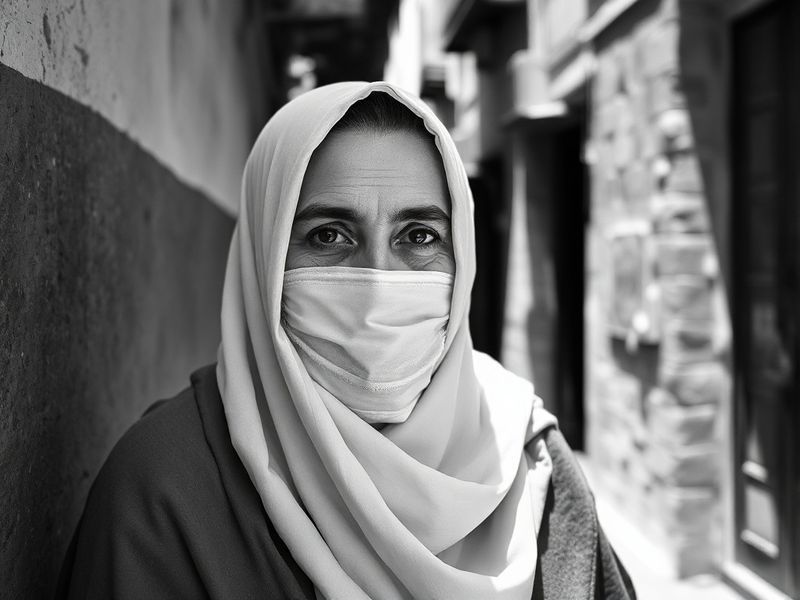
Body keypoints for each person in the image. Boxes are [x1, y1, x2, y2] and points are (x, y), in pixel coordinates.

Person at [56, 82, 636, 599]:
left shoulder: (531, 464)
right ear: (266, 259)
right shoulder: (163, 496)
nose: (380, 282)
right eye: (329, 234)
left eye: (418, 235)